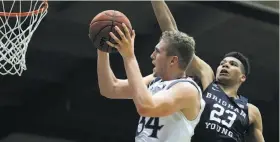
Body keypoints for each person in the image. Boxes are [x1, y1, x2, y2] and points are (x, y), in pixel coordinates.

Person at [151, 1, 265, 142]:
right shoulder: (208, 79)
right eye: (222, 63)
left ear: (242, 77)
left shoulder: (251, 111)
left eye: (232, 64)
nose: (225, 66)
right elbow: (175, 38)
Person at [97, 22, 205, 141]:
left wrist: (129, 56)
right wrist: (102, 48)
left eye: (157, 51)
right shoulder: (155, 80)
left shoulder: (187, 89)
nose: (152, 55)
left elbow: (146, 107)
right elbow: (110, 89)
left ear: (173, 61)